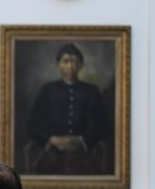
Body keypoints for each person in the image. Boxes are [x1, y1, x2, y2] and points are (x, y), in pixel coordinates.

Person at [24, 43, 111, 175]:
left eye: (74, 62)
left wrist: (81, 140)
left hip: (85, 153)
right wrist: (51, 139)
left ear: (81, 65)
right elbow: (32, 124)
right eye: (65, 61)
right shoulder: (47, 90)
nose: (70, 66)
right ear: (58, 65)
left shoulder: (91, 91)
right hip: (51, 153)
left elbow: (103, 125)